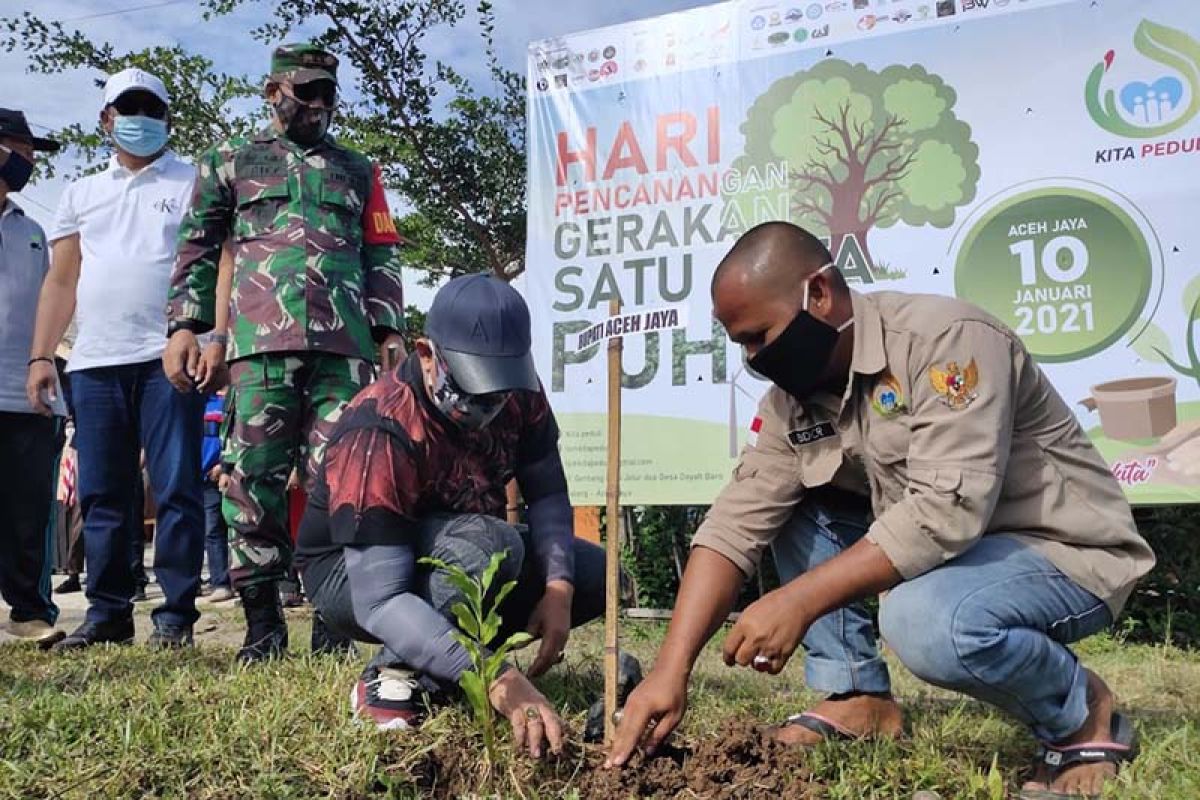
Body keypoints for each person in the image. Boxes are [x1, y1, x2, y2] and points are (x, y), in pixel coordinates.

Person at [607, 222, 1156, 800]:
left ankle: (1083, 711)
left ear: (818, 294)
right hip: (960, 561)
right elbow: (732, 525)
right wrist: (672, 670)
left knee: (924, 622)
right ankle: (856, 698)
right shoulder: (793, 402)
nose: (752, 359)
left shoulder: (945, 340)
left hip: (1061, 553)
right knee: (793, 491)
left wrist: (797, 600)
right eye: (741, 344)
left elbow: (948, 510)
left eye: (758, 337)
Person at [163, 43, 408, 663]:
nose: (320, 106)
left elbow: (382, 250)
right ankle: (263, 624)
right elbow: (196, 247)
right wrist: (187, 326)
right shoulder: (229, 160)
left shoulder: (358, 169)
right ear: (274, 92)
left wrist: (389, 330)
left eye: (329, 93)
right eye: (307, 93)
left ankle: (334, 621)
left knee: (342, 482)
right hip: (259, 348)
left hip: (344, 350)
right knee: (252, 484)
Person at [296, 274, 606, 756]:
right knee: (490, 544)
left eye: (496, 390)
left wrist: (559, 590)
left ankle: (443, 657)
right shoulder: (380, 425)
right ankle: (393, 672)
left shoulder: (519, 392)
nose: (487, 405)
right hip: (352, 576)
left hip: (458, 548)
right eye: (472, 386)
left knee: (594, 573)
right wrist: (498, 679)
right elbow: (379, 600)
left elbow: (547, 490)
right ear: (426, 354)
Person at [27, 68, 206, 650]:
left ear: (167, 118)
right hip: (95, 362)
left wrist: (213, 336)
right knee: (103, 492)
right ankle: (107, 612)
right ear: (105, 119)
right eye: (127, 108)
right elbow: (61, 281)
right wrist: (40, 357)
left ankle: (176, 615)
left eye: (151, 109)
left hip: (168, 358)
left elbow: (214, 263)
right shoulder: (81, 193)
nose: (140, 119)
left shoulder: (193, 182)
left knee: (177, 488)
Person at [0, 108, 63, 646]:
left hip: (28, 396)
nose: (28, 162)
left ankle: (28, 611)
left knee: (27, 510)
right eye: (20, 150)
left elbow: (54, 305)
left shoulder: (34, 231)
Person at [201, 390, 233, 602]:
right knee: (203, 529)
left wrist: (224, 467)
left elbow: (234, 436)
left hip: (219, 475)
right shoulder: (196, 401)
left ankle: (224, 582)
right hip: (196, 476)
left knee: (222, 527)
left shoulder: (226, 401)